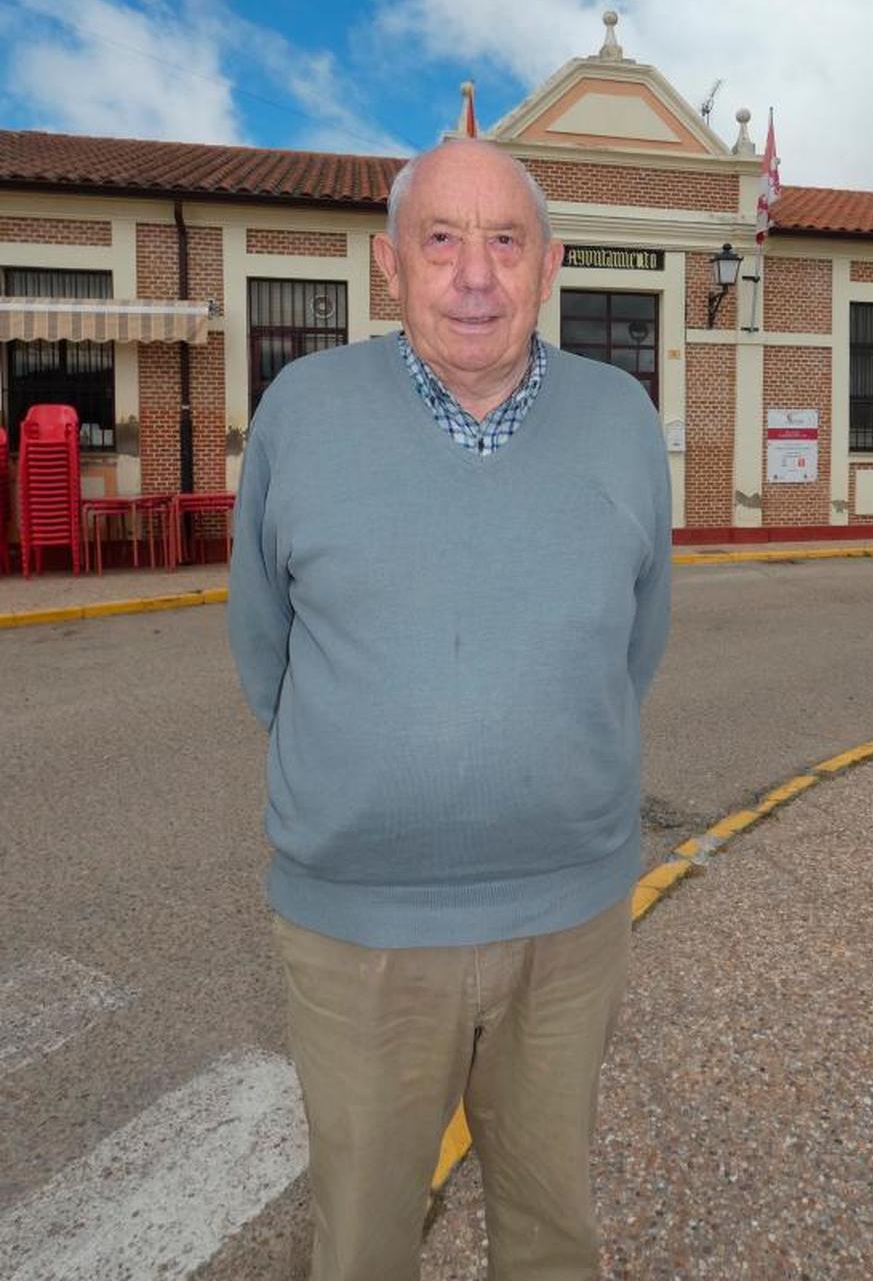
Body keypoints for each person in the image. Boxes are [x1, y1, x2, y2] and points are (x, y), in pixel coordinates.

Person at [228, 137, 672, 1281]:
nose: (475, 274)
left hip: (566, 927)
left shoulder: (622, 418)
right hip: (358, 939)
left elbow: (635, 641)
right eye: (441, 239)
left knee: (553, 1233)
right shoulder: (303, 412)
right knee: (363, 1241)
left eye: (505, 241)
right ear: (390, 266)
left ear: (549, 264)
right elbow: (265, 646)